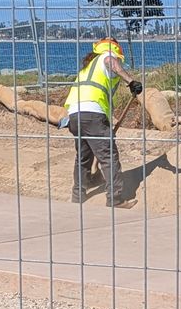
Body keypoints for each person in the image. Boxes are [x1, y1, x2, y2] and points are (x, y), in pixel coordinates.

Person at [61, 37, 142, 206]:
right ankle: (115, 199)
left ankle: (78, 196)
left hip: (75, 114)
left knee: (83, 158)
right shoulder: (107, 56)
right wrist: (131, 81)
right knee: (108, 156)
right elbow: (111, 61)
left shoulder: (88, 67)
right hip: (92, 113)